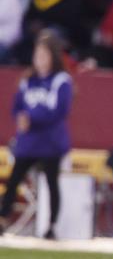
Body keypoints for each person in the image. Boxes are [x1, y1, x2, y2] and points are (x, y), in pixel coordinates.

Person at [0, 31, 73, 238]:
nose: (40, 60)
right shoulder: (28, 80)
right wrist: (21, 118)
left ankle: (52, 225)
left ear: (54, 56)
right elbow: (16, 107)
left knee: (51, 183)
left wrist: (32, 118)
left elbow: (60, 110)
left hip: (50, 141)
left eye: (44, 55)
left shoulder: (61, 80)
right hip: (29, 142)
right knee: (14, 179)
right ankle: (3, 217)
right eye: (37, 55)